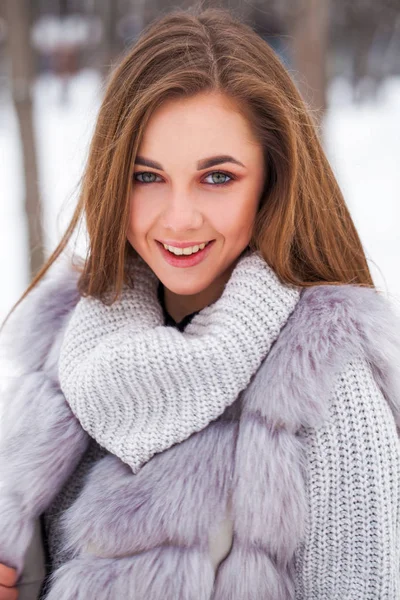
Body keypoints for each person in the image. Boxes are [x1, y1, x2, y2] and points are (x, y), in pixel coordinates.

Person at [0, 6, 399, 600]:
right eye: (146, 176)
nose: (179, 219)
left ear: (273, 179)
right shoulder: (63, 350)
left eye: (218, 177)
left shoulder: (324, 391)